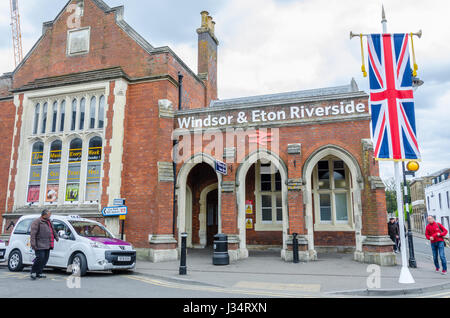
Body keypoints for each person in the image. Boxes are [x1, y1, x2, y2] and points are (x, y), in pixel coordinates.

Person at [29, 210, 59, 280]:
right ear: (44, 215)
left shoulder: (49, 221)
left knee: (45, 259)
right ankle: (33, 272)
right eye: (49, 214)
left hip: (48, 244)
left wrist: (56, 236)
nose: (50, 215)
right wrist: (33, 244)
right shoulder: (37, 222)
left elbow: (53, 230)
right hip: (39, 244)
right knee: (40, 258)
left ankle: (39, 272)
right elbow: (33, 234)